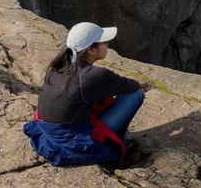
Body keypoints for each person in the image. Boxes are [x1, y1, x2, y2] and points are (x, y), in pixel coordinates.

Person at [21, 22, 151, 167]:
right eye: (104, 42)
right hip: (72, 137)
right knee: (135, 95)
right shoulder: (94, 75)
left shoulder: (59, 66)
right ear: (90, 50)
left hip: (49, 128)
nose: (107, 45)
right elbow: (132, 86)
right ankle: (114, 142)